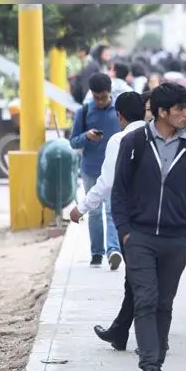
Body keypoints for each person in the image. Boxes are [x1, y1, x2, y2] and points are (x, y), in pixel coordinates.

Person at [112, 82, 186, 371]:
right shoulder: (135, 141)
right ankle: (149, 368)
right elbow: (120, 190)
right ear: (162, 112)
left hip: (177, 238)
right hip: (139, 236)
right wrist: (124, 231)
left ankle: (158, 365)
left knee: (164, 303)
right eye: (180, 109)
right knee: (146, 299)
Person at [69, 92, 147, 351]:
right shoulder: (159, 136)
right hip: (161, 218)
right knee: (139, 278)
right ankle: (120, 331)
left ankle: (146, 336)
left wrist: (81, 208)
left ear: (119, 116)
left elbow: (107, 182)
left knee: (139, 280)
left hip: (132, 220)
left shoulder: (120, 139)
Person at [70, 73, 123, 268]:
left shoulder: (120, 109)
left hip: (114, 168)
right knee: (93, 211)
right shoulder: (83, 112)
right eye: (96, 97)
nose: (100, 101)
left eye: (104, 97)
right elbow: (73, 141)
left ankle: (113, 250)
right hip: (91, 168)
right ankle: (96, 252)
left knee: (111, 210)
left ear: (110, 92)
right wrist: (86, 136)